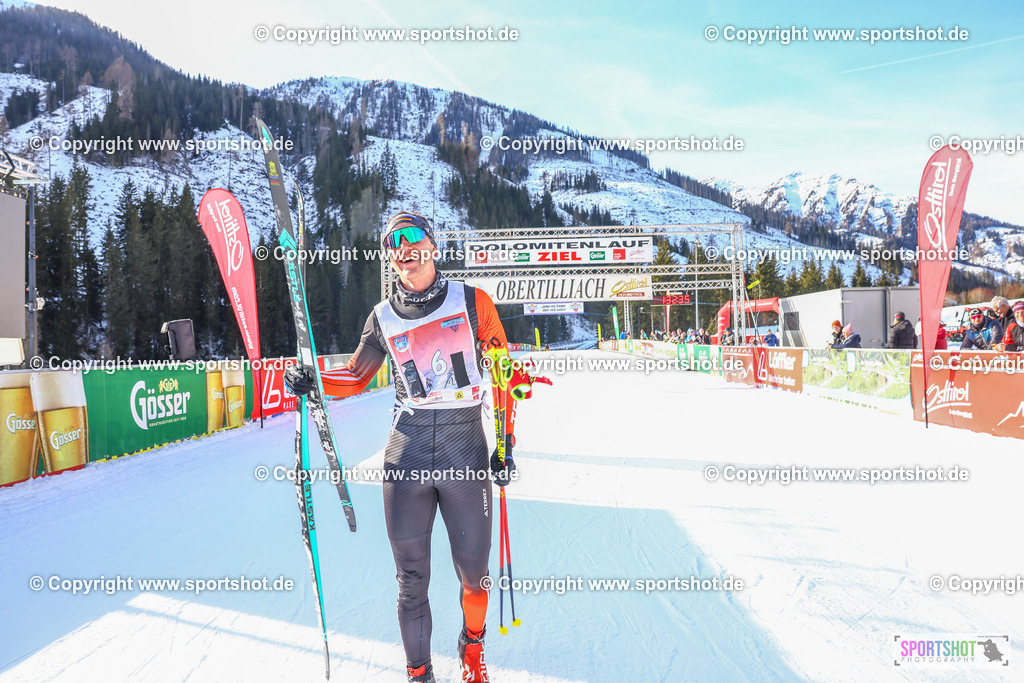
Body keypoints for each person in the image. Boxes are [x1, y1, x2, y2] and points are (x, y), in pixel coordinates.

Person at [284, 211, 543, 683]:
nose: (403, 248)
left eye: (412, 237)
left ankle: (472, 645)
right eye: (392, 242)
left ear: (432, 246)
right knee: (410, 582)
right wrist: (314, 380)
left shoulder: (473, 301)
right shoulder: (382, 316)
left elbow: (505, 374)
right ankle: (419, 673)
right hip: (407, 452)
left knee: (475, 576)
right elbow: (356, 377)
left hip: (464, 448)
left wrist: (505, 442)